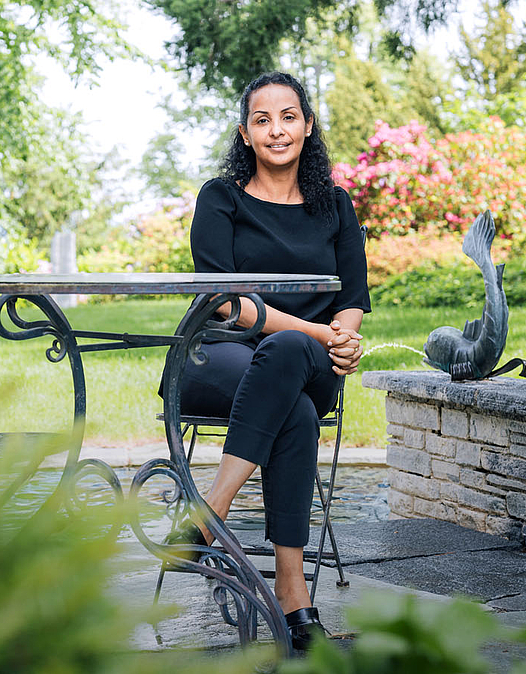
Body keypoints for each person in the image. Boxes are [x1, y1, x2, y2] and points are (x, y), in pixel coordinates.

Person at [163, 71, 370, 650]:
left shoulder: (335, 206)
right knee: (296, 411)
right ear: (245, 134)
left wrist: (344, 339)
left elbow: (352, 298)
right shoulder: (220, 198)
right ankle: (293, 596)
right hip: (220, 357)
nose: (276, 130)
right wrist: (317, 333)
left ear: (307, 126)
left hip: (313, 362)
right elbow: (227, 302)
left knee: (289, 363)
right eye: (262, 120)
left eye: (287, 117)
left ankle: (207, 514)